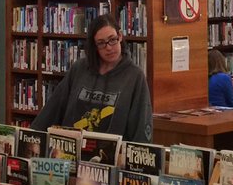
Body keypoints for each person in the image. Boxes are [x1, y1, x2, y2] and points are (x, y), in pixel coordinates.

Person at [32, 13, 153, 141]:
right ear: (94, 46)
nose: (109, 48)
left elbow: (141, 127)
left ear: (120, 36)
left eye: (112, 40)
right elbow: (52, 110)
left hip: (111, 157)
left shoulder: (134, 76)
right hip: (71, 152)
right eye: (101, 43)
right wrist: (32, 138)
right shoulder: (79, 69)